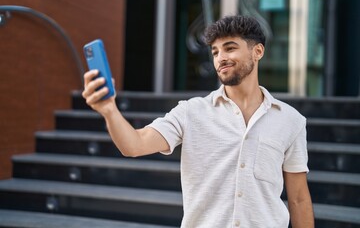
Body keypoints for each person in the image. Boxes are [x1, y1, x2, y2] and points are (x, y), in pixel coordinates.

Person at [82, 15, 314, 228]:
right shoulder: (191, 112)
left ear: (258, 51)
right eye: (214, 52)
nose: (221, 58)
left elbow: (299, 198)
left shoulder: (291, 121)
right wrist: (109, 110)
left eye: (230, 48)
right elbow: (134, 144)